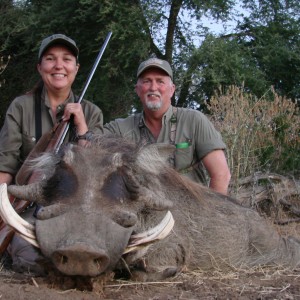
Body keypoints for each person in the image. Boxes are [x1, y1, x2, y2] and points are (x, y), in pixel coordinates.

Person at [0, 34, 103, 273]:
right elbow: (5, 167)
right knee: (34, 260)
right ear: (40, 67)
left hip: (77, 209)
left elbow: (96, 169)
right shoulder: (21, 106)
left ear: (76, 69)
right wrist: (4, 212)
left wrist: (82, 129)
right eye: (50, 59)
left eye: (67, 59)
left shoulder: (92, 112)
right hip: (28, 208)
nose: (59, 65)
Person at [104, 58, 231, 195]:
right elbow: (87, 141)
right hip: (142, 210)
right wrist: (80, 119)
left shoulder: (194, 120)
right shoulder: (119, 127)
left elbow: (221, 175)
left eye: (160, 81)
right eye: (146, 81)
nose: (153, 88)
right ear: (137, 89)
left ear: (172, 90)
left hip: (190, 211)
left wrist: (210, 215)